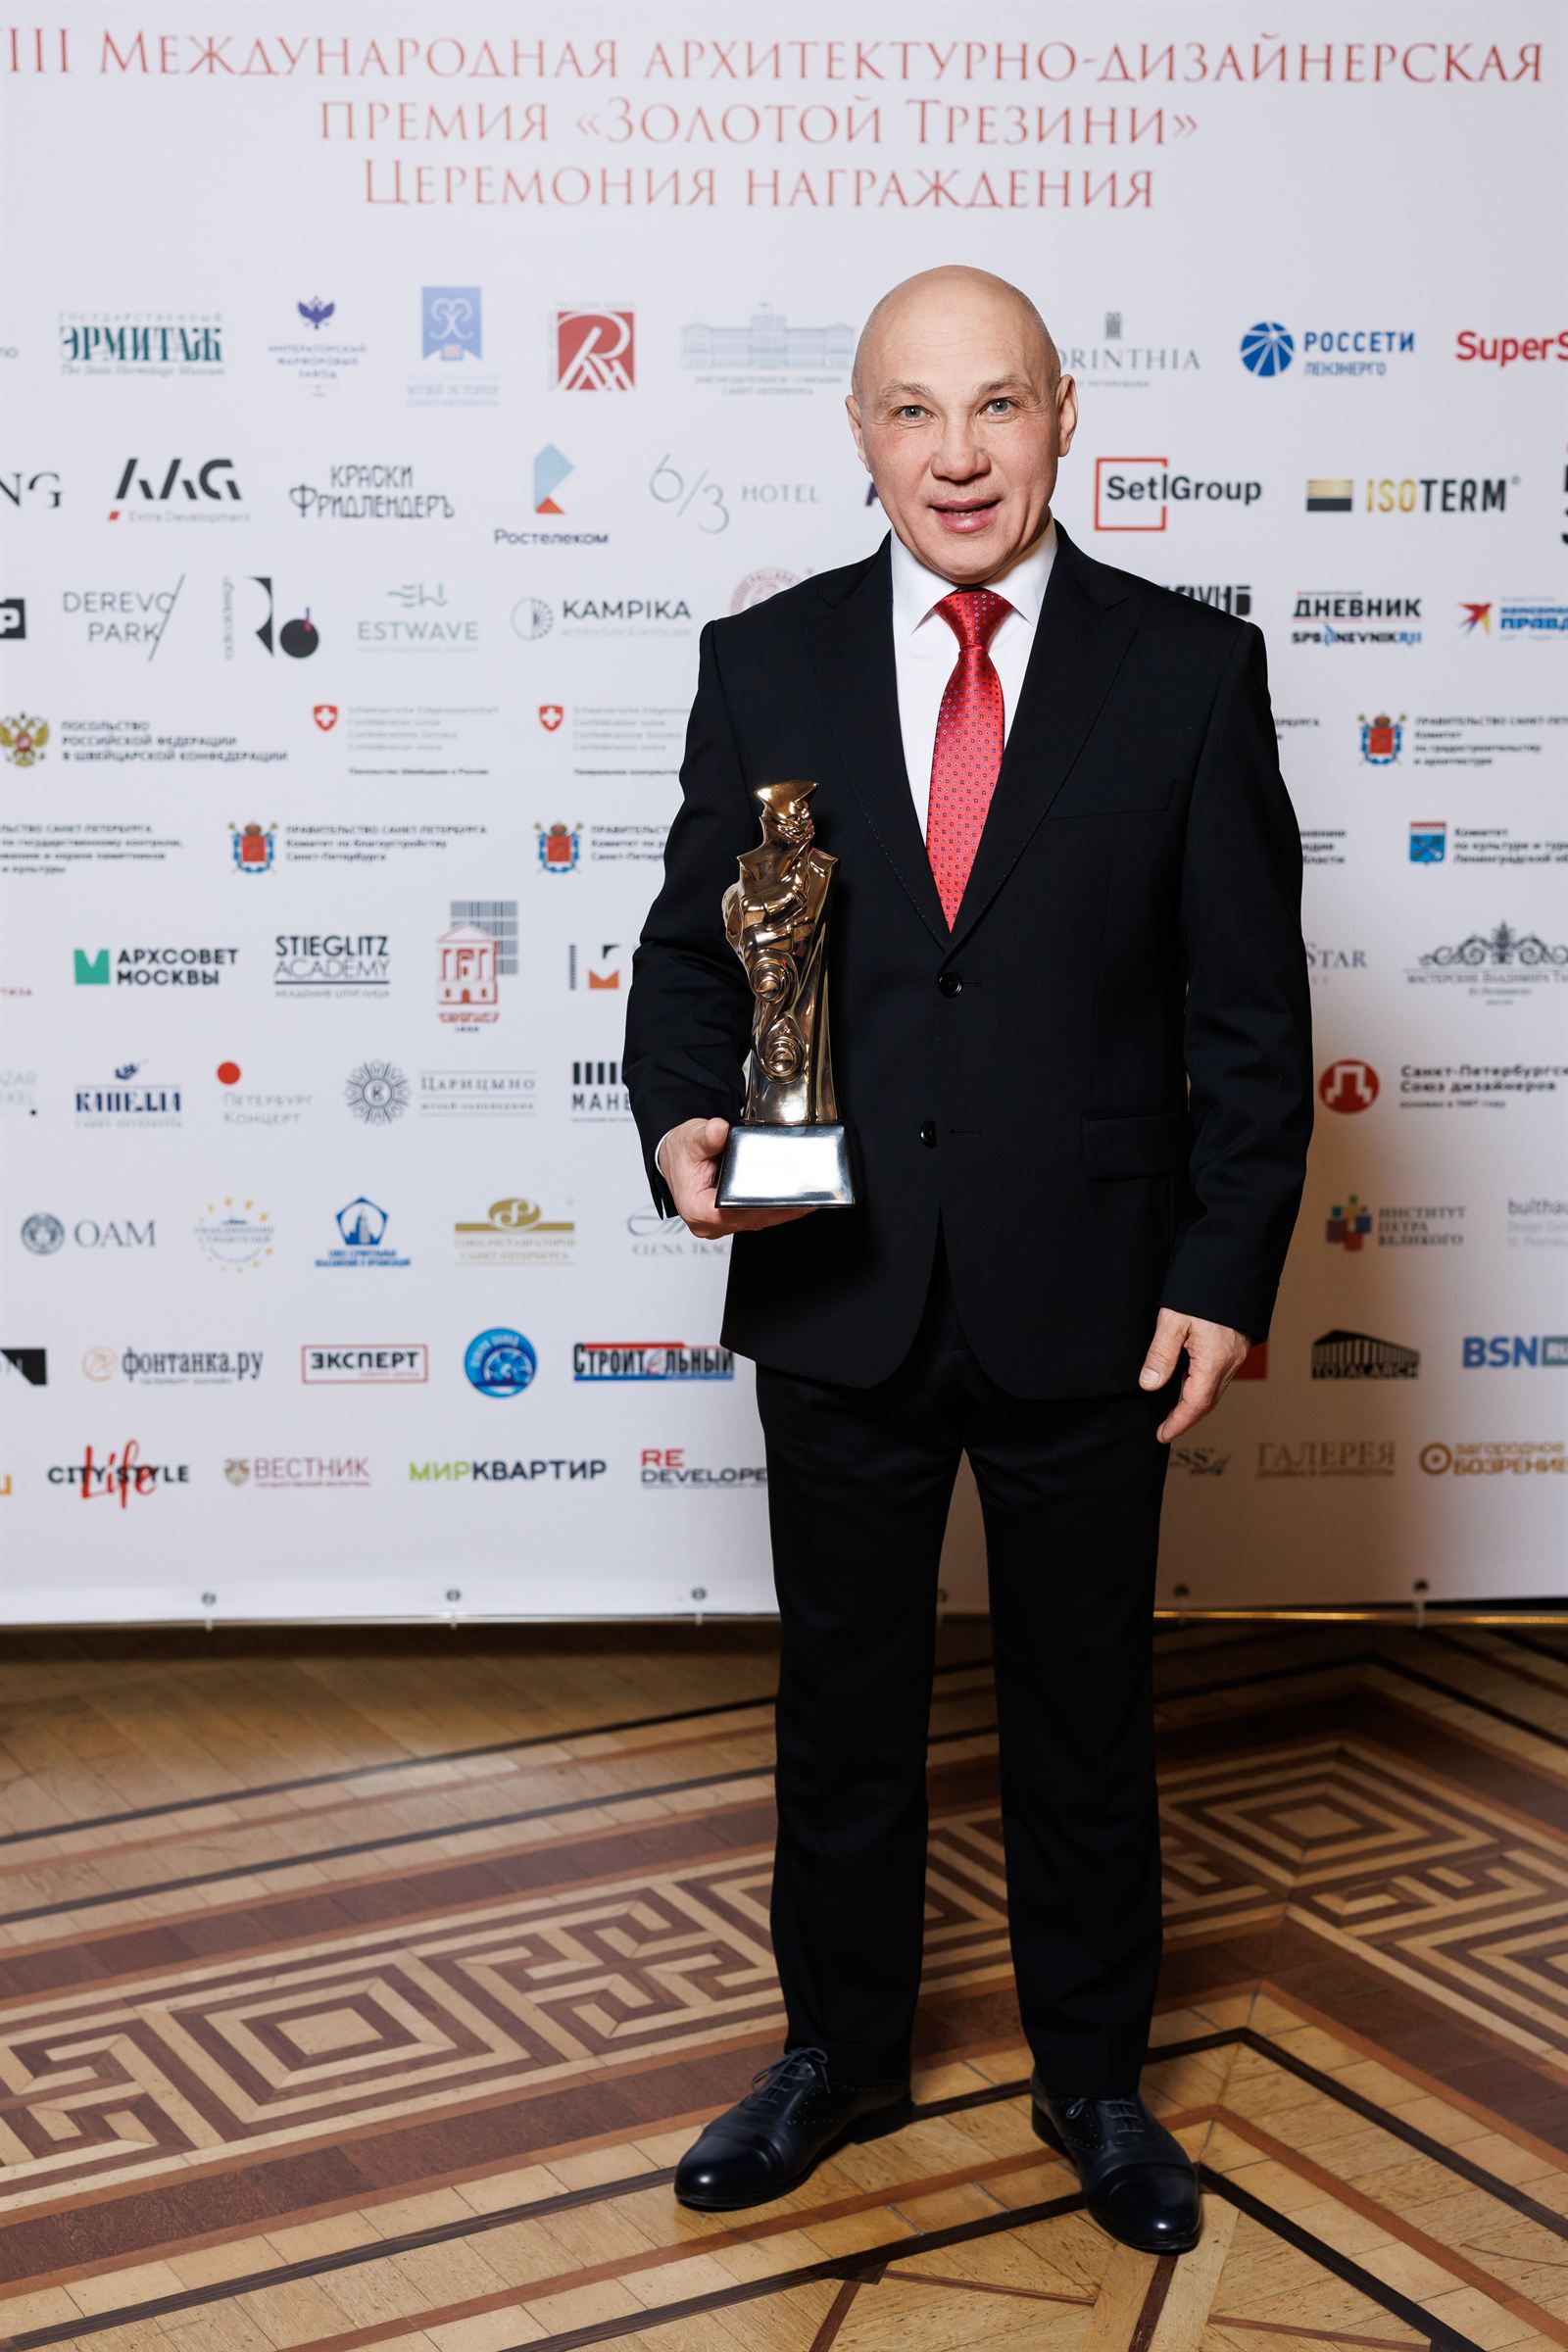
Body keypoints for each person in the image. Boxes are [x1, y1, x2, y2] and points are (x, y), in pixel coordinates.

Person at [622, 265, 1313, 2256]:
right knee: (839, 1710)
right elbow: (693, 959)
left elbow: (1249, 1015)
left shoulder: (1187, 670)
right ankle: (833, 2057)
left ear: (1062, 416)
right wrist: (681, 1122)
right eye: (911, 410)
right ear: (859, 433)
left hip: (1092, 1293)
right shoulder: (761, 660)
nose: (954, 453)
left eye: (994, 405)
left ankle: (1092, 2078)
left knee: (1084, 1715)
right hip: (834, 1284)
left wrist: (1223, 1270)